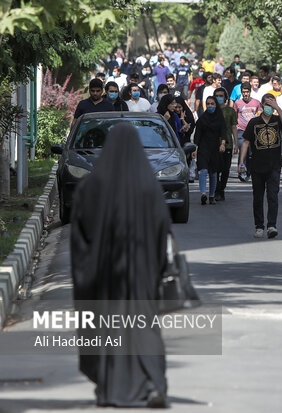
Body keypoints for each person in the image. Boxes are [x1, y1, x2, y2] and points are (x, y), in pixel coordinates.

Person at [70, 123, 169, 408]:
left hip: (103, 273)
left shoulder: (90, 187)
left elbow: (80, 236)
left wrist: (87, 267)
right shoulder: (149, 186)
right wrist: (157, 266)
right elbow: (163, 230)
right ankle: (153, 383)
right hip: (142, 271)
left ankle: (111, 388)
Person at [239, 93, 282, 239]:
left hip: (274, 165)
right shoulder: (254, 122)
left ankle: (272, 225)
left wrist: (278, 108)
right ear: (261, 106)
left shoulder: (277, 120)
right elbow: (246, 142)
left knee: (273, 196)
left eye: (271, 104)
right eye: (267, 104)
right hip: (257, 165)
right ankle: (259, 226)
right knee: (258, 197)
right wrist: (241, 162)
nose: (269, 107)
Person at [195, 95, 227, 205]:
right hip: (203, 148)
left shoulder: (220, 118)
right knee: (203, 171)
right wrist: (194, 148)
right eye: (208, 104)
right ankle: (203, 193)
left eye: (212, 104)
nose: (210, 106)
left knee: (213, 173)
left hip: (215, 148)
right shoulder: (202, 119)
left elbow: (223, 131)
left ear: (216, 105)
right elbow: (197, 135)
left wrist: (223, 144)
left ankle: (212, 195)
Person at [234, 82, 262, 179]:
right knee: (243, 149)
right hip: (241, 130)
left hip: (253, 131)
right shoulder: (237, 103)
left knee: (251, 152)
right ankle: (241, 170)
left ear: (250, 92)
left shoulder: (257, 102)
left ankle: (249, 171)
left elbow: (259, 114)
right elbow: (235, 117)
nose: (245, 94)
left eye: (247, 92)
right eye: (243, 92)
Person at [213, 87, 237, 201]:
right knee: (215, 169)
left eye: (221, 96)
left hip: (228, 144)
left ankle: (222, 189)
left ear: (226, 98)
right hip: (214, 144)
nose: (219, 98)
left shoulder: (230, 111)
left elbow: (234, 127)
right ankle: (217, 190)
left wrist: (236, 143)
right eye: (217, 95)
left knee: (225, 169)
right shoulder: (212, 111)